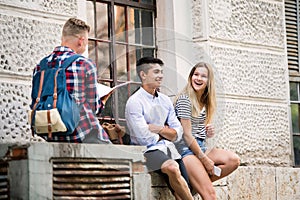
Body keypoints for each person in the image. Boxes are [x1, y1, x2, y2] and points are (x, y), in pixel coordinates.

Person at [33, 17, 111, 144]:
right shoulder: (84, 64)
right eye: (86, 42)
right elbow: (93, 107)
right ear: (81, 41)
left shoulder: (40, 66)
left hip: (51, 135)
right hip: (81, 134)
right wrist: (102, 101)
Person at [125, 57, 193, 200]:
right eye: (156, 72)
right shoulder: (134, 102)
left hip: (170, 149)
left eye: (161, 72)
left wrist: (158, 129)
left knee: (182, 191)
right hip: (147, 151)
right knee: (172, 168)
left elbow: (178, 133)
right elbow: (143, 137)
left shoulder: (165, 100)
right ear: (143, 75)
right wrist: (166, 132)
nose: (160, 75)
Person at [174, 62, 240, 199]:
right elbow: (186, 135)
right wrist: (204, 159)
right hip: (186, 150)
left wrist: (208, 132)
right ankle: (195, 184)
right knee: (210, 195)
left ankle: (190, 185)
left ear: (209, 81)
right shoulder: (185, 100)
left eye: (203, 76)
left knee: (233, 160)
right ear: (191, 76)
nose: (198, 78)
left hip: (200, 146)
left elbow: (197, 130)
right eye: (195, 74)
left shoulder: (204, 101)